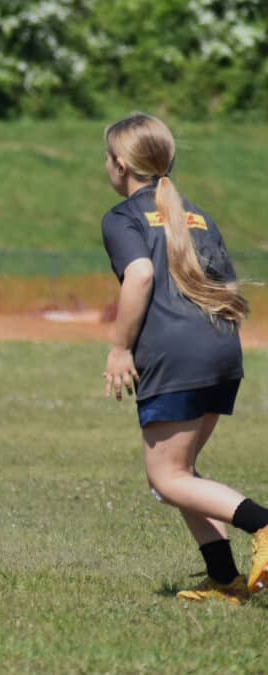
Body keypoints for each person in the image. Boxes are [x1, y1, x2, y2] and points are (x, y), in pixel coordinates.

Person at [100, 112, 268, 604]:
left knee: (167, 478)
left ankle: (263, 525)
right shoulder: (196, 213)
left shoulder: (124, 217)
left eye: (108, 157)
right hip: (220, 348)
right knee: (182, 473)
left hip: (175, 354)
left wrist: (119, 347)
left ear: (122, 165)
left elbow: (140, 276)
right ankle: (225, 580)